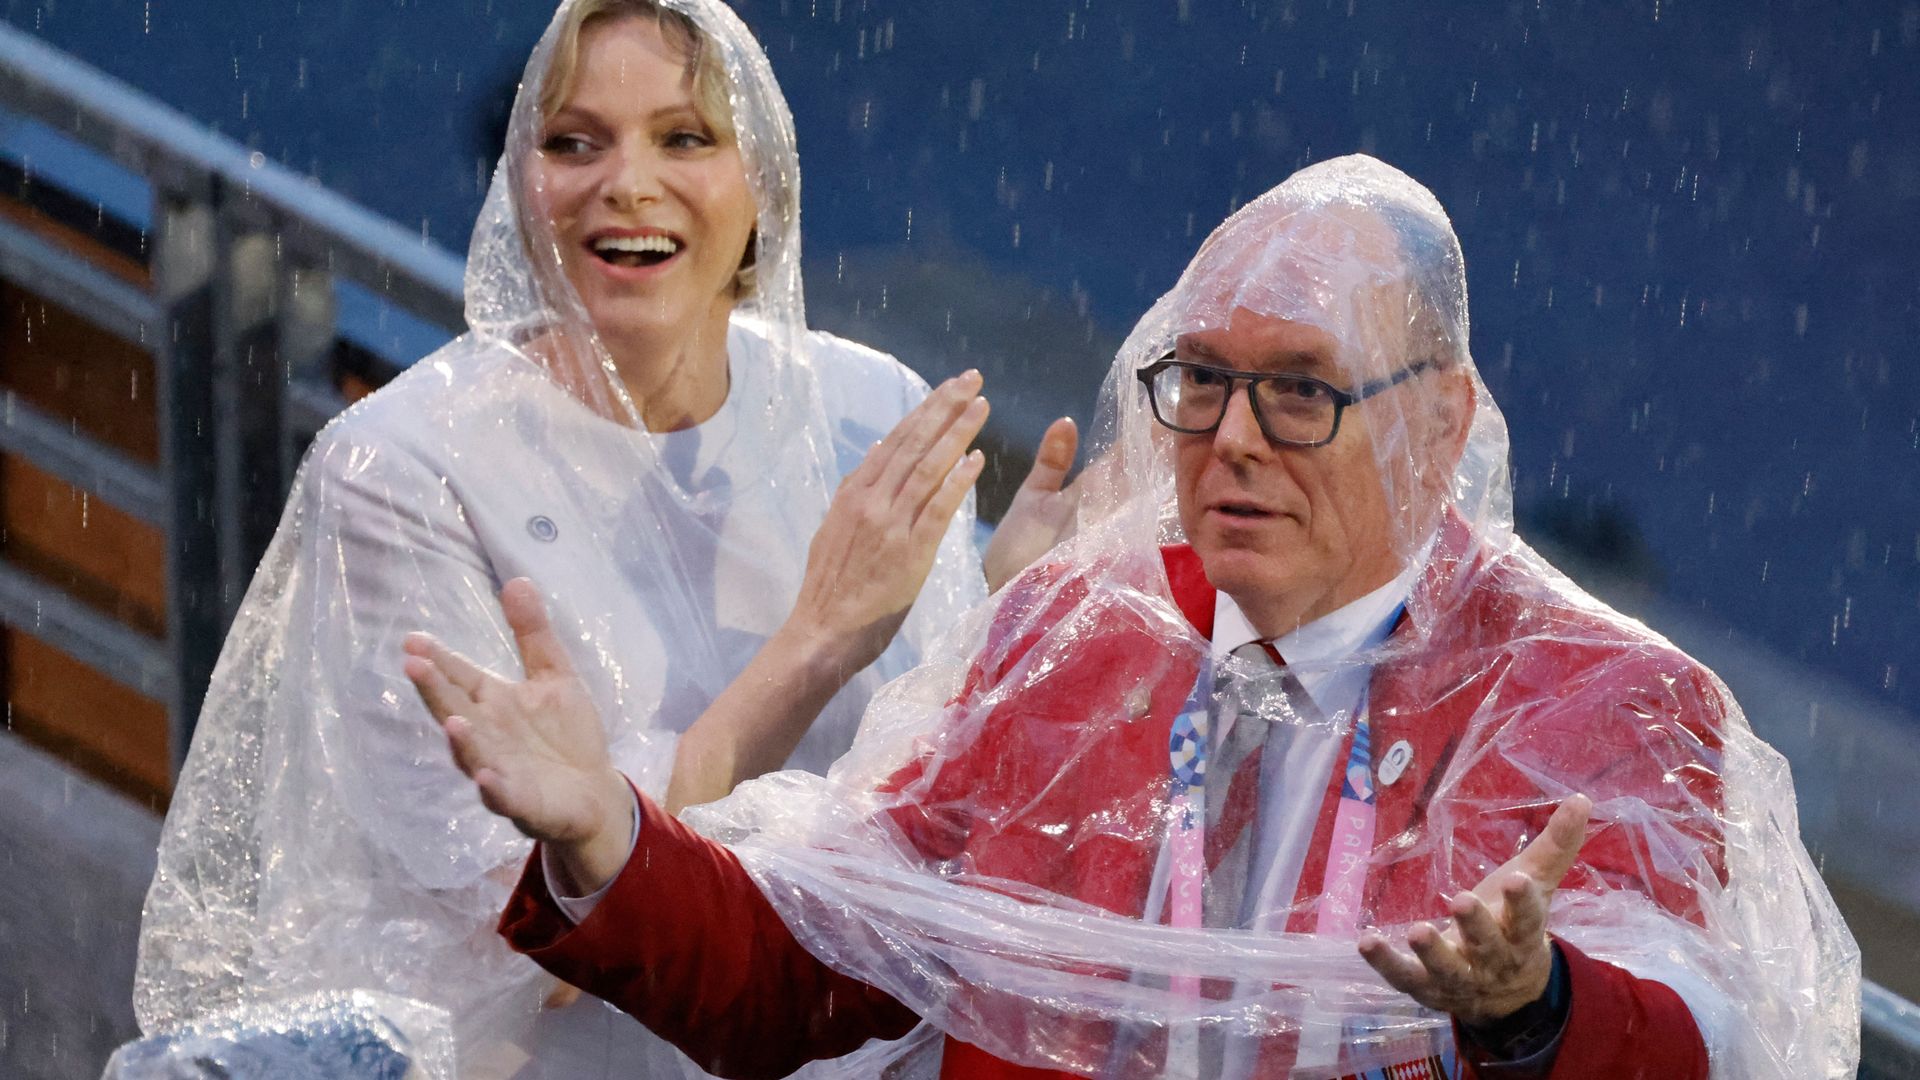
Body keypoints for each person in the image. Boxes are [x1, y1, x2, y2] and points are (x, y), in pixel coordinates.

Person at [408, 156, 1859, 1078]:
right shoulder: (1080, 638)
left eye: (1300, 388)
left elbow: (1698, 1048)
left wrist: (1531, 1010)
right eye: (1202, 380)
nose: (1232, 437)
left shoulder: (1589, 699)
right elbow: (823, 965)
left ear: (1441, 420)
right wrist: (606, 833)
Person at [132, 1, 1078, 1077]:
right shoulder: (402, 469)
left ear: (762, 182)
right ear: (519, 192)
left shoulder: (869, 408)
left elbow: (926, 826)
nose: (626, 182)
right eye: (574, 142)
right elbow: (535, 944)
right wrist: (811, 646)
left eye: (685, 138)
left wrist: (1013, 616)